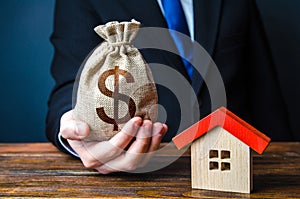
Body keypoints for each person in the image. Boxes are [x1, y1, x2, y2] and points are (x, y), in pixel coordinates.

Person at [46, 0, 297, 174]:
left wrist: (288, 166)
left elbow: (265, 91)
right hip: (146, 175)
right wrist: (78, 134)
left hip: (236, 165)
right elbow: (71, 86)